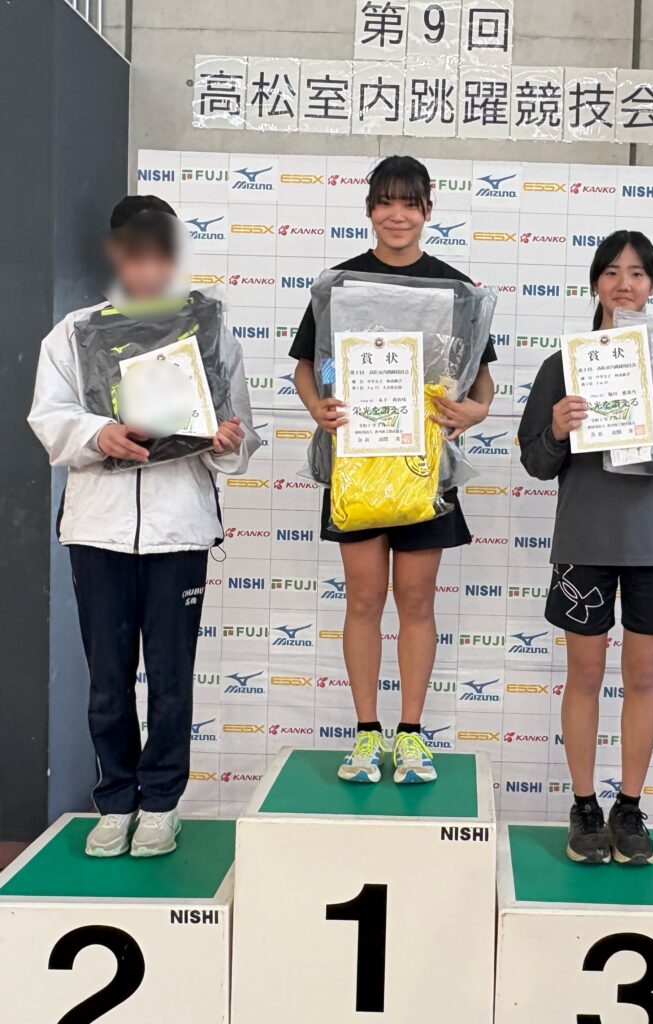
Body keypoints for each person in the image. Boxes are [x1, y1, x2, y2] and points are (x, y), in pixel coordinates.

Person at [28, 195, 258, 857]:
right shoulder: (75, 333)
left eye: (162, 256)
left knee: (171, 679)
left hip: (179, 531)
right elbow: (49, 419)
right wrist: (97, 434)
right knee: (107, 681)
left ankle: (160, 804)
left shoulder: (210, 330)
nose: (149, 269)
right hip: (97, 531)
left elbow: (239, 435)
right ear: (117, 253)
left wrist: (226, 440)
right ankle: (115, 802)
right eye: (137, 255)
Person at [291, 155, 496, 785]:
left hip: (423, 470)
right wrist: (318, 408)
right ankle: (365, 733)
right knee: (362, 598)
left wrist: (473, 412)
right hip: (356, 468)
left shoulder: (455, 290)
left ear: (428, 210)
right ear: (369, 209)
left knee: (415, 599)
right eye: (386, 201)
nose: (398, 215)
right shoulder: (338, 286)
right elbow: (306, 366)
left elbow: (482, 386)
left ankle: (410, 734)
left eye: (410, 203)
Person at [518, 230, 653, 865]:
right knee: (584, 676)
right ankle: (584, 806)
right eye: (611, 272)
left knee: (643, 678)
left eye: (636, 272)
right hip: (586, 538)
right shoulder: (564, 364)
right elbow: (535, 461)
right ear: (595, 284)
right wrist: (556, 429)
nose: (624, 283)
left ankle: (629, 808)